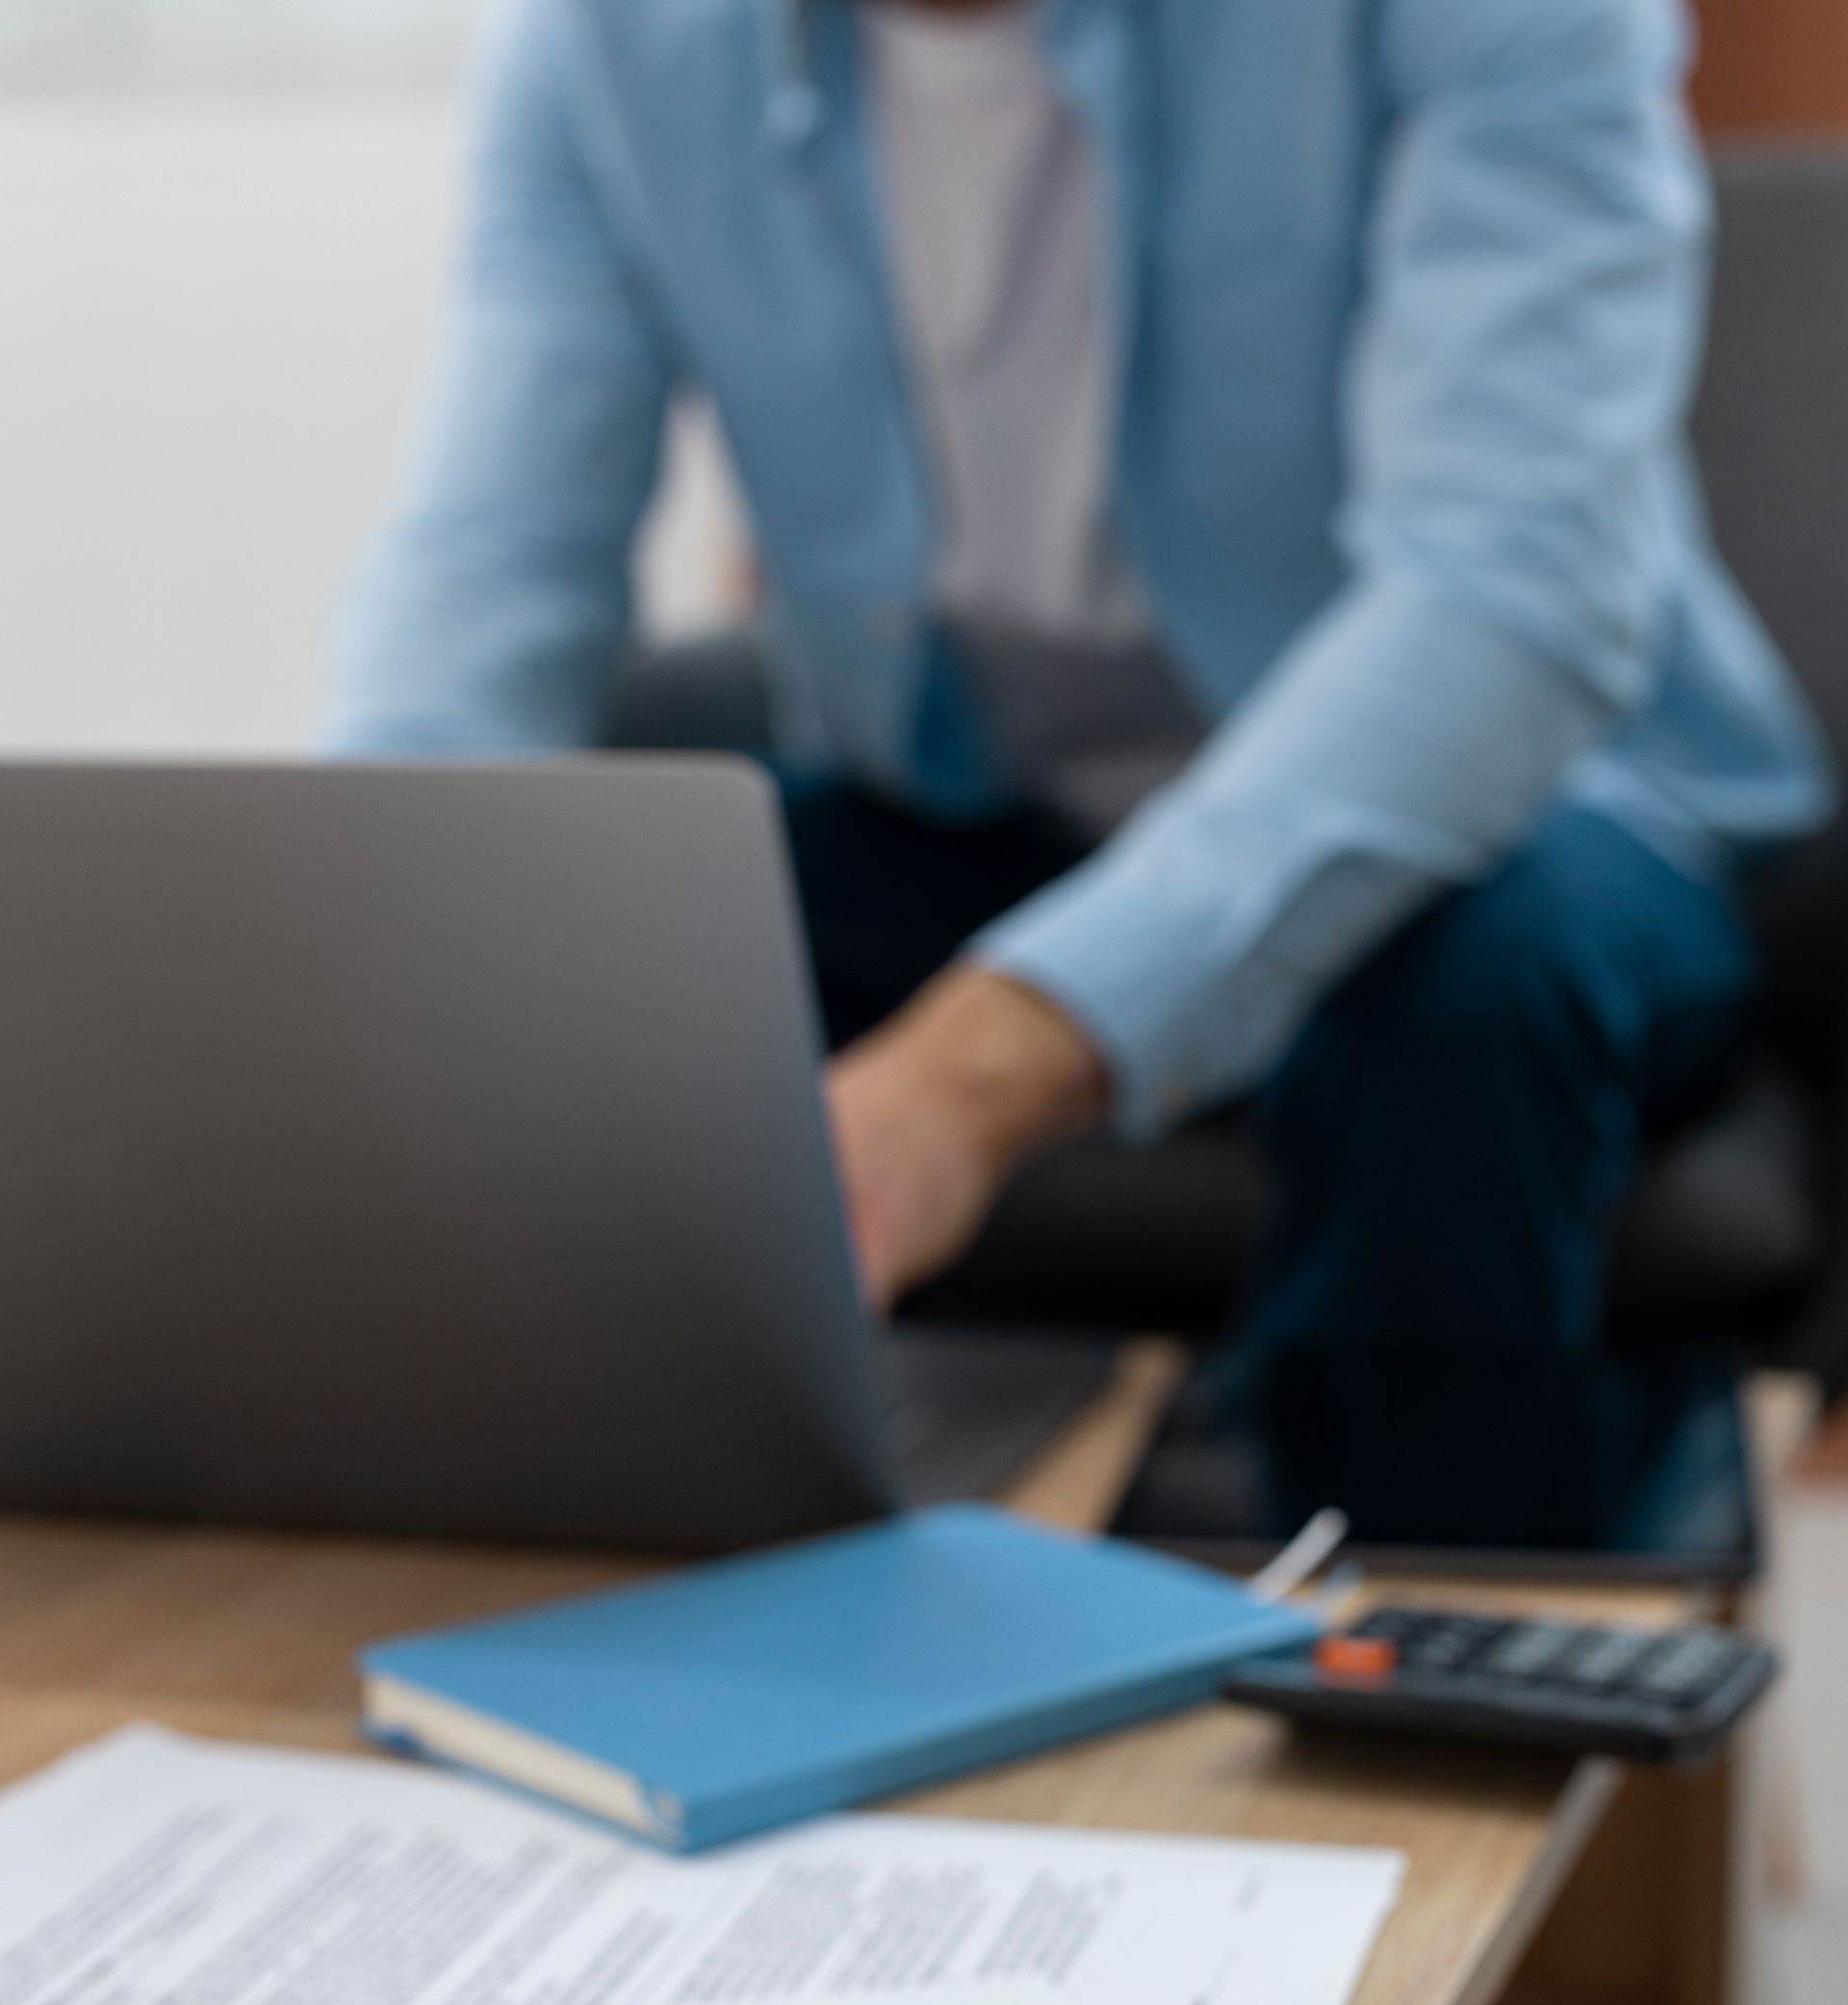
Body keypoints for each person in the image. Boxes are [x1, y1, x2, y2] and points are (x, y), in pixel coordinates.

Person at [327, 0, 1832, 1403]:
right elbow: (497, 562)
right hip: (992, 815)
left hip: (1540, 819)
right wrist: (353, 969)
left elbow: (1508, 597)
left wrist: (983, 1067)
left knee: (1474, 986)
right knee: (591, 942)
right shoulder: (609, 48)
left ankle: (1400, 1632)